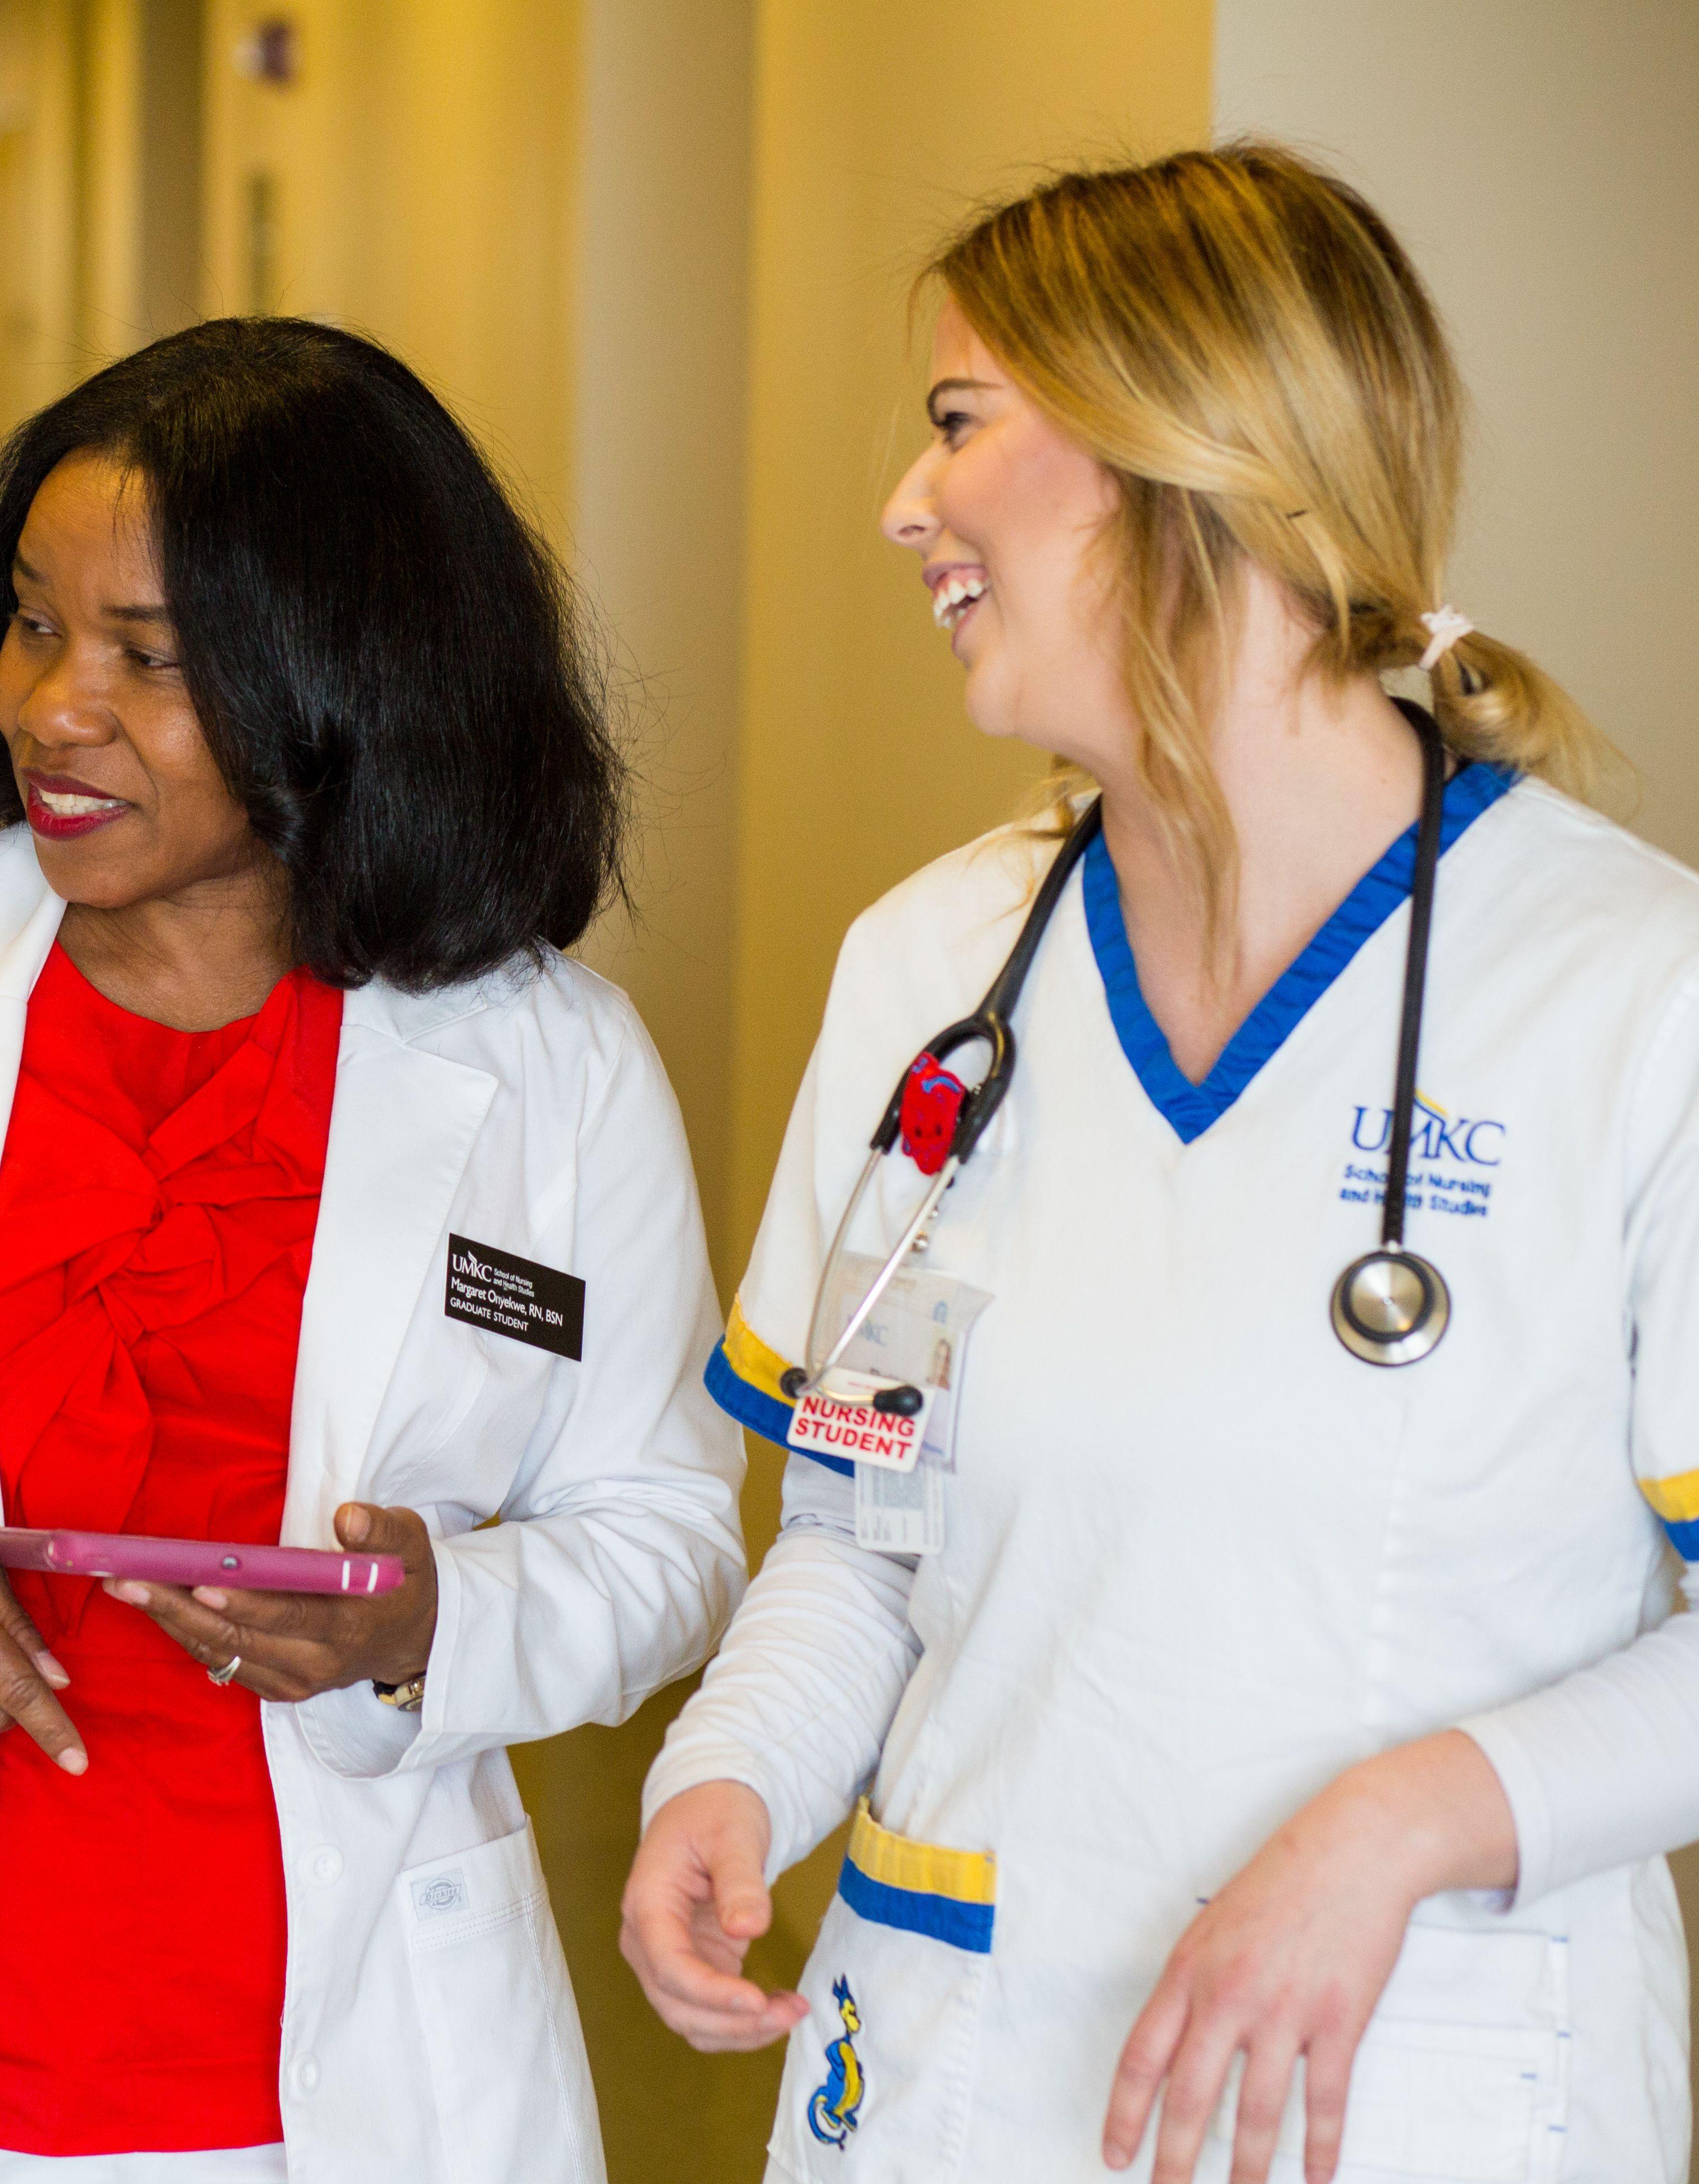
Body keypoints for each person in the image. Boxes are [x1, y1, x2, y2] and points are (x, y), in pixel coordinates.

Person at [621, 144, 1697, 2184]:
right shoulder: (936, 976)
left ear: (1171, 443)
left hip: (1409, 2088)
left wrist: (1406, 1818)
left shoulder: (1627, 997)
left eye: (956, 426)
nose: (900, 505)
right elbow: (856, 1535)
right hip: (949, 2068)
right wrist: (728, 1781)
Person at [0, 317, 744, 2184]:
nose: (57, 707)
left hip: (351, 2069)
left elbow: (665, 1535)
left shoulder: (545, 1065)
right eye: (38, 626)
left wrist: (439, 1618)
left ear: (347, 678)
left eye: (151, 658)